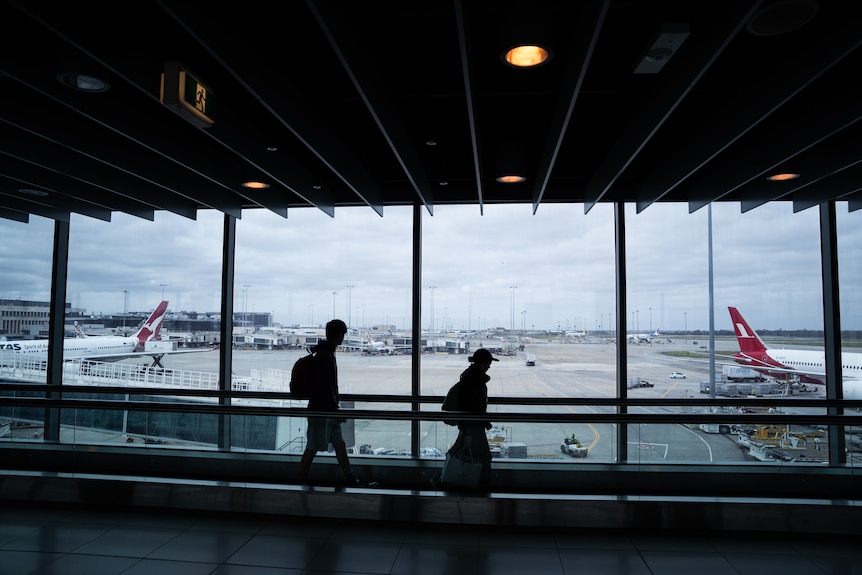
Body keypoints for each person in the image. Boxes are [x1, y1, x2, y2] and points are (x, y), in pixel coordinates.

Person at [297, 319, 368, 486]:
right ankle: (299, 481)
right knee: (313, 447)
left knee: (339, 445)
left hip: (326, 409)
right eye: (342, 334)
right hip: (322, 410)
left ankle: (350, 478)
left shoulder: (325, 353)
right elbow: (325, 387)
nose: (343, 338)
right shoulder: (325, 356)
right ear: (338, 335)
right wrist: (334, 410)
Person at [447, 347, 498, 489]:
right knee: (483, 457)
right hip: (473, 424)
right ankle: (478, 485)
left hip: (470, 423)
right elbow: (475, 405)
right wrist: (484, 421)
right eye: (488, 363)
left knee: (464, 451)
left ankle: (463, 481)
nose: (489, 366)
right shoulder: (475, 380)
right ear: (482, 363)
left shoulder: (470, 377)